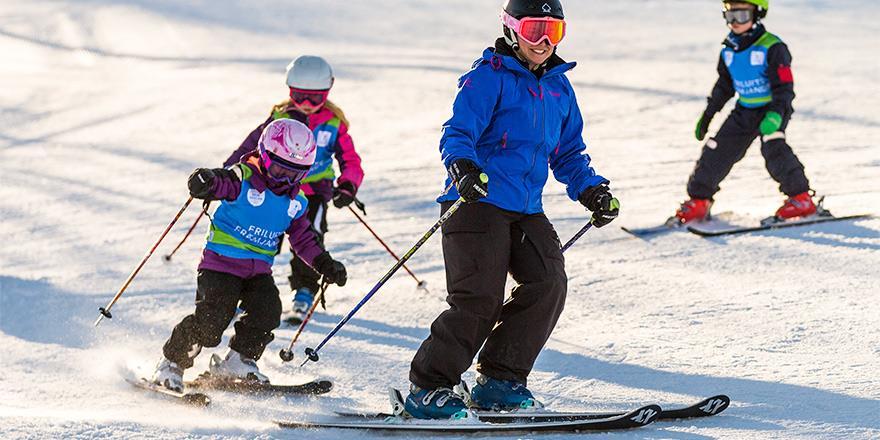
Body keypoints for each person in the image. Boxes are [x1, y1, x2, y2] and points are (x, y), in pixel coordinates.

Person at [404, 0, 620, 420]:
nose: (542, 41)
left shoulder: (559, 88)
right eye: (534, 28)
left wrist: (591, 190)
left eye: (553, 31)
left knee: (548, 282)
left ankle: (500, 381)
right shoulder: (489, 77)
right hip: (475, 201)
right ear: (510, 28)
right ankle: (428, 387)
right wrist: (463, 168)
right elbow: (458, 132)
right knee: (479, 298)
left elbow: (569, 152)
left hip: (525, 208)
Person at [151, 118, 348, 391]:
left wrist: (323, 263)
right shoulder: (242, 178)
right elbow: (221, 183)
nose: (285, 179)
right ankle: (171, 363)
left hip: (258, 271)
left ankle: (239, 359)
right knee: (212, 321)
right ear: (264, 157)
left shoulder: (296, 202)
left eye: (295, 174)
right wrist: (206, 180)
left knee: (268, 312)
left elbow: (304, 239)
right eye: (279, 169)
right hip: (220, 265)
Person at [224, 55, 364, 325]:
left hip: (313, 190)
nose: (307, 105)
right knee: (264, 237)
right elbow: (252, 145)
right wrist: (229, 170)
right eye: (299, 96)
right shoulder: (280, 117)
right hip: (275, 188)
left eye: (315, 98)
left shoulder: (333, 122)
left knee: (309, 236)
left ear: (329, 91)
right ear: (289, 91)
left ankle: (304, 289)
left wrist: (348, 184)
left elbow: (350, 159)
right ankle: (246, 292)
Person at [675, 0, 816, 224]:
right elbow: (724, 86)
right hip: (745, 109)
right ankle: (699, 201)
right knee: (716, 150)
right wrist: (708, 115)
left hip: (772, 109)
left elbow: (784, 88)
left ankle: (801, 199)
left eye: (741, 16)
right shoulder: (728, 49)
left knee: (773, 147)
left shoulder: (772, 47)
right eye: (730, 16)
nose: (734, 23)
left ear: (757, 14)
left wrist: (776, 114)